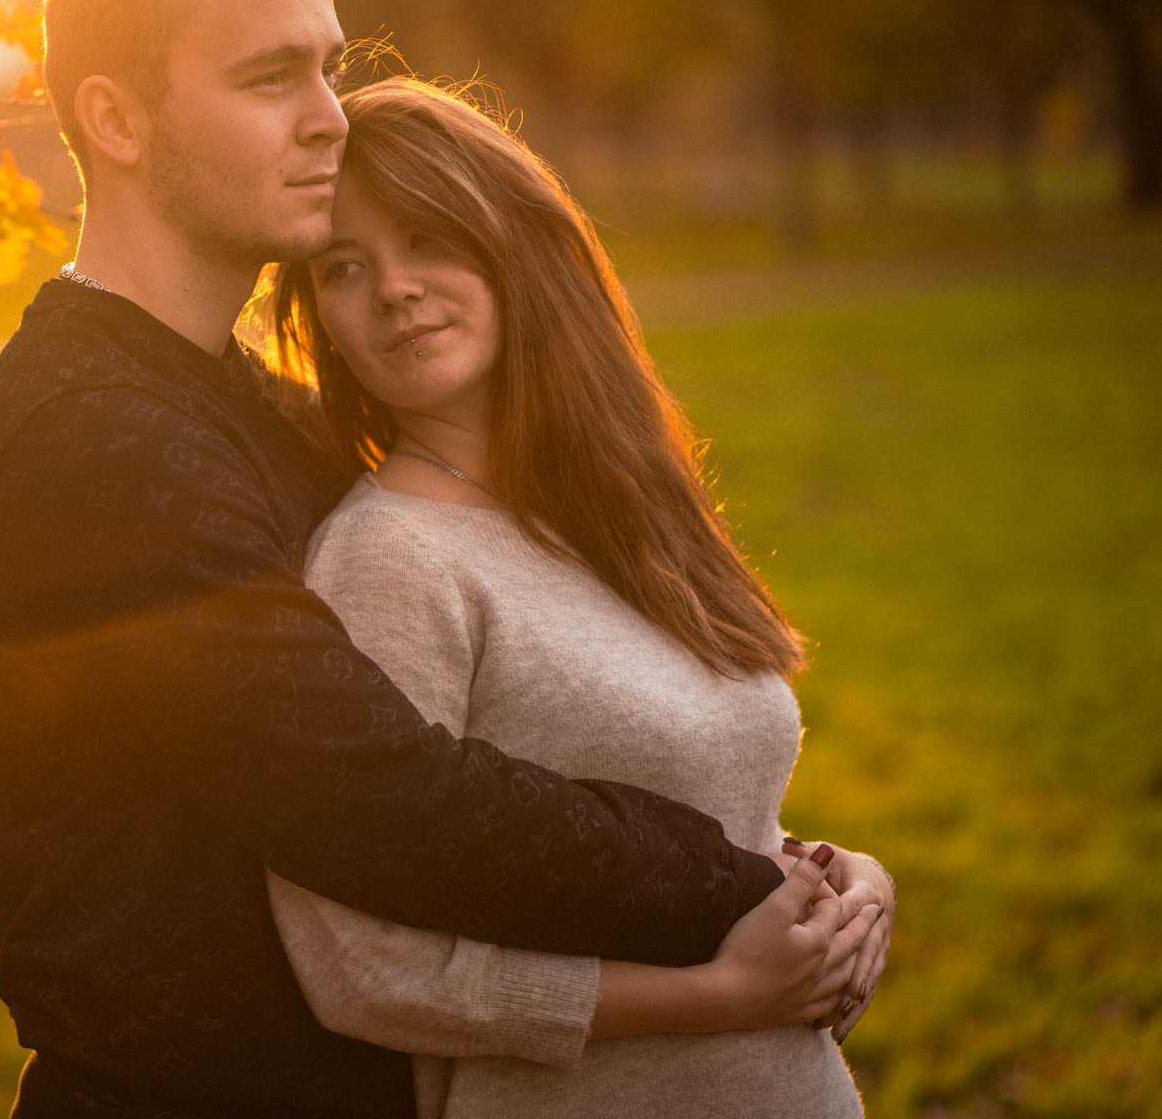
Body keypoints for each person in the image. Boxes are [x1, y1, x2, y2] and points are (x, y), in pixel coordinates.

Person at [0, 0, 838, 1118]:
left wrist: (817, 876)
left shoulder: (241, 404)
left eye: (328, 67)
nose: (326, 121)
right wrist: (737, 884)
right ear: (117, 117)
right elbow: (387, 799)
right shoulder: (96, 434)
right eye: (268, 79)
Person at [263, 75, 897, 1117]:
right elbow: (363, 964)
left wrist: (845, 877)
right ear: (318, 316)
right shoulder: (388, 563)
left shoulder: (613, 508)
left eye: (429, 236)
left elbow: (685, 818)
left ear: (515, 244)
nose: (395, 287)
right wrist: (717, 992)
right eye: (344, 265)